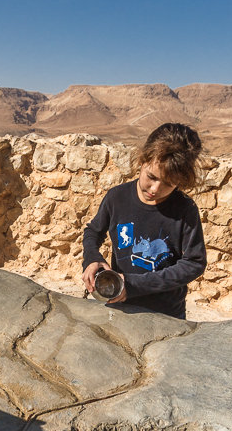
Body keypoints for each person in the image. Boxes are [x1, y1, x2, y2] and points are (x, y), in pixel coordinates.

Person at [81, 122, 206, 320]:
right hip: (121, 307)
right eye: (151, 177)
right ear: (143, 160)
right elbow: (93, 232)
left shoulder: (185, 210)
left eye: (168, 184)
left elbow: (194, 263)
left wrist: (134, 285)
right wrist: (92, 258)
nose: (155, 189)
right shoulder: (116, 198)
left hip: (167, 314)